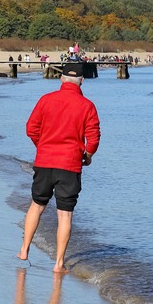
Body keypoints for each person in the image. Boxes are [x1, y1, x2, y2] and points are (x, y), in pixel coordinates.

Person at [18, 63, 101, 274]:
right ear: (82, 81)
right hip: (70, 164)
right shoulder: (87, 105)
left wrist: (42, 146)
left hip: (45, 161)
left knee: (36, 205)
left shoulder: (46, 100)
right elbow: (93, 136)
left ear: (61, 79)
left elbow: (31, 128)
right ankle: (58, 263)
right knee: (65, 215)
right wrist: (88, 155)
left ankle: (24, 249)